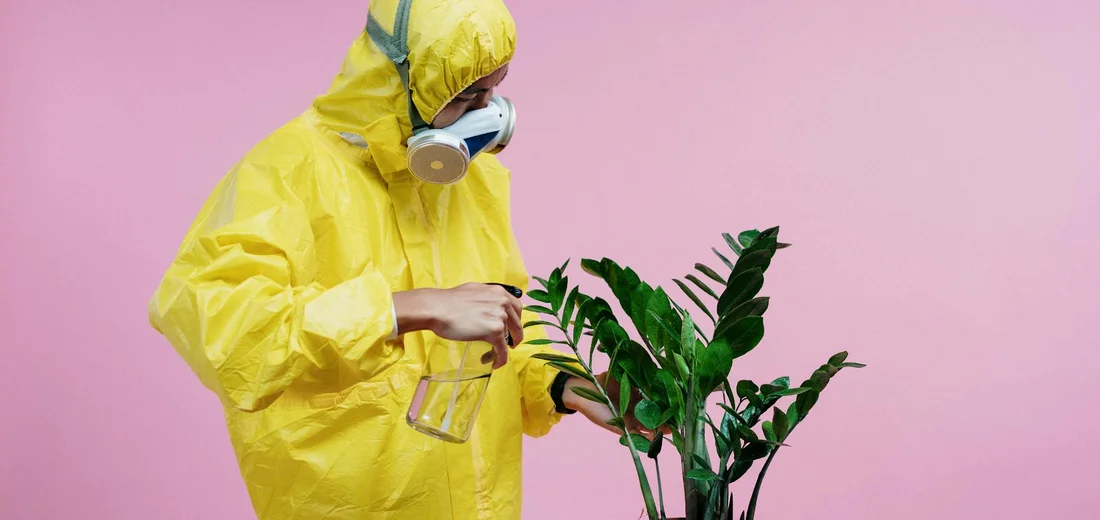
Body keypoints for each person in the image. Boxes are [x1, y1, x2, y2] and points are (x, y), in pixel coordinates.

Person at [147, 0, 643, 518]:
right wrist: (401, 309)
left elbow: (501, 314)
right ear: (400, 78)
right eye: (468, 95)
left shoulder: (472, 181)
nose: (489, 115)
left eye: (495, 90)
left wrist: (566, 383)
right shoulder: (283, 174)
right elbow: (228, 333)